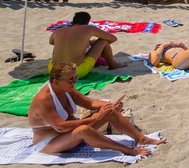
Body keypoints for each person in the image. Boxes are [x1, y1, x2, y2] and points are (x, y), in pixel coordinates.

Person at [28, 63, 162, 157]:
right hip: (49, 142)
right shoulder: (44, 99)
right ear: (55, 82)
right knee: (83, 129)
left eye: (76, 78)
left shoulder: (66, 89)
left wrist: (110, 105)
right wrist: (94, 118)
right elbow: (60, 127)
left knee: (109, 111)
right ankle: (127, 150)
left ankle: (141, 139)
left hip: (68, 133)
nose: (74, 83)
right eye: (71, 80)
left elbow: (90, 103)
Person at [48, 12, 121, 78]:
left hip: (53, 71)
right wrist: (93, 44)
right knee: (103, 41)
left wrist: (84, 42)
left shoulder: (59, 30)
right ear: (87, 22)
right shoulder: (88, 28)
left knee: (61, 46)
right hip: (75, 72)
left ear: (73, 21)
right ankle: (112, 64)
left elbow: (51, 42)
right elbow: (113, 38)